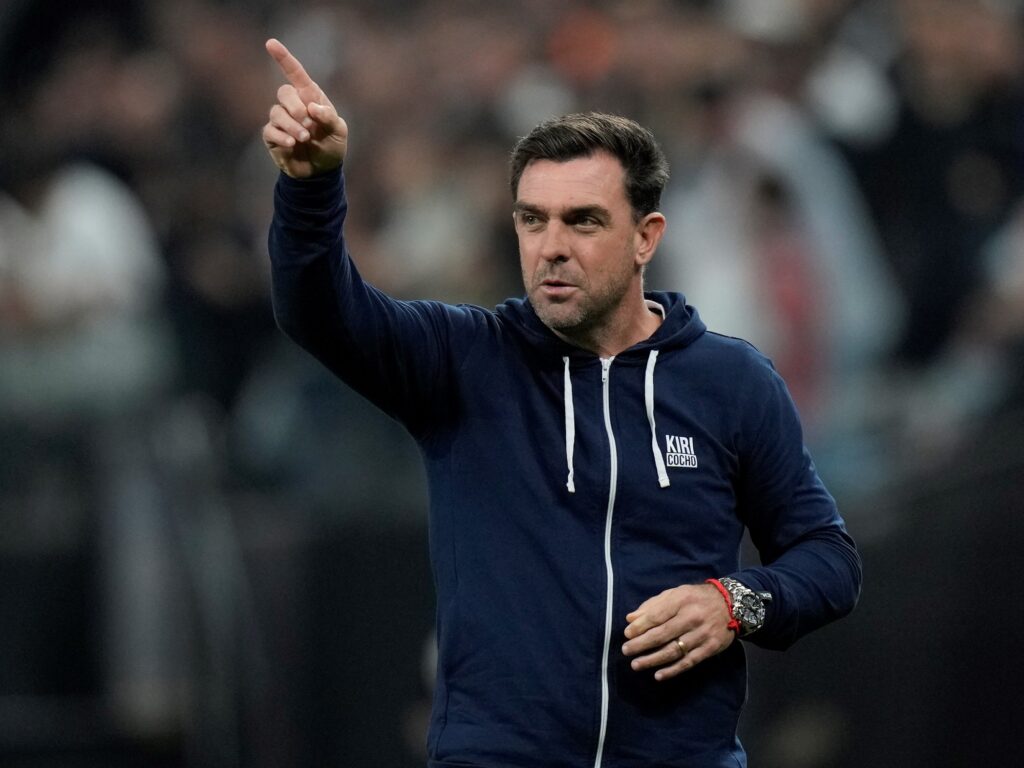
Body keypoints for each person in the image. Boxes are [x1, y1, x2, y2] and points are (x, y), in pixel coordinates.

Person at [262, 37, 862, 768]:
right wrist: (311, 189)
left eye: (583, 220)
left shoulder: (730, 381)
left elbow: (828, 560)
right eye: (532, 219)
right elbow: (317, 311)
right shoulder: (464, 361)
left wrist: (734, 602)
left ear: (646, 238)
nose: (551, 246)